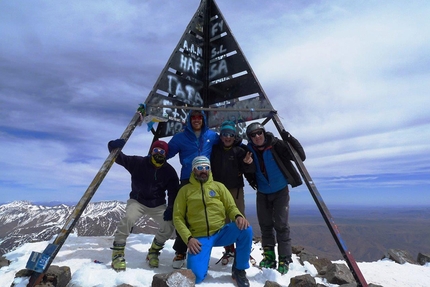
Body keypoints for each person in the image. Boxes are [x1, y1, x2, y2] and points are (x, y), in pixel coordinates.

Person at [173, 156, 253, 286]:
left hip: (221, 232)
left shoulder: (219, 187)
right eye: (199, 168)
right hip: (199, 238)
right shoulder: (185, 191)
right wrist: (189, 239)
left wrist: (238, 216)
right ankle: (202, 262)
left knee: (245, 229)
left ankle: (239, 269)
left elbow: (231, 207)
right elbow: (177, 217)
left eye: (206, 167)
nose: (203, 170)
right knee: (196, 277)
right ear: (193, 170)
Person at [108, 139, 180, 271]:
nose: (158, 153)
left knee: (168, 225)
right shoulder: (139, 162)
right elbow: (120, 158)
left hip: (157, 204)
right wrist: (112, 146)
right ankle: (117, 254)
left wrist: (170, 208)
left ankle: (153, 252)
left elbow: (173, 192)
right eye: (156, 150)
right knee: (128, 219)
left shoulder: (169, 171)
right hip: (137, 201)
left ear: (166, 154)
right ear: (151, 151)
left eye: (162, 151)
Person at [244, 122, 306, 275]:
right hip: (262, 191)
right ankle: (269, 257)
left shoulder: (276, 145)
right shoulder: (248, 151)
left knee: (281, 225)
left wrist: (290, 139)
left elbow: (300, 157)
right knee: (265, 225)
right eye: (253, 135)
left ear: (264, 133)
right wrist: (246, 165)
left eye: (259, 132)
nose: (257, 136)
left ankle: (284, 259)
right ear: (250, 138)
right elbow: (244, 169)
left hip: (280, 190)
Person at [167, 109, 220, 267]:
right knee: (183, 214)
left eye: (199, 117)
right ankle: (181, 251)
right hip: (186, 179)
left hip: (206, 178)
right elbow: (165, 153)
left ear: (203, 120)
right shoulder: (180, 138)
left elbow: (226, 144)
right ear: (189, 120)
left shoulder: (211, 136)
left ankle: (201, 248)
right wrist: (150, 160)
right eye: (193, 117)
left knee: (202, 214)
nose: (196, 120)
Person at [210, 120, 256, 265]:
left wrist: (248, 163)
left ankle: (244, 252)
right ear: (221, 135)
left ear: (234, 136)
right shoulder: (214, 149)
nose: (227, 137)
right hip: (218, 191)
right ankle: (229, 249)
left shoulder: (240, 150)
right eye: (224, 134)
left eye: (230, 134)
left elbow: (247, 169)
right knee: (223, 221)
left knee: (240, 218)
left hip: (235, 190)